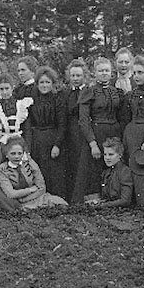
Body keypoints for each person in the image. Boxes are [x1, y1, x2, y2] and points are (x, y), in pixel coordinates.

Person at [72, 57, 127, 204]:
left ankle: (112, 198)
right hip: (96, 134)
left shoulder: (117, 92)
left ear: (111, 72)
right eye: (101, 70)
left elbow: (122, 116)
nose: (104, 73)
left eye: (107, 70)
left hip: (114, 133)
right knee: (94, 167)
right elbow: (83, 120)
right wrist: (92, 143)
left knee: (114, 165)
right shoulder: (89, 92)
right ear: (94, 73)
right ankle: (93, 200)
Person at [23, 66, 66, 199]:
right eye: (41, 82)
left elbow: (62, 125)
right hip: (37, 140)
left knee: (54, 172)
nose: (44, 85)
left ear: (52, 84)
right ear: (37, 84)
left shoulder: (57, 100)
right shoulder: (32, 100)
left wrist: (57, 145)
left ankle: (56, 200)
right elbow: (28, 124)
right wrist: (29, 146)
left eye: (47, 82)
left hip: (53, 139)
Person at [0, 136, 68, 209]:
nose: (17, 156)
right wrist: (30, 190)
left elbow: (42, 188)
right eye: (13, 153)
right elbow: (11, 194)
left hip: (38, 198)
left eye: (20, 153)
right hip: (20, 203)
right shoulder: (3, 169)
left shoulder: (30, 163)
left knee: (60, 203)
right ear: (6, 154)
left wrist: (25, 196)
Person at [62, 59, 88, 201]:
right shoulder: (66, 93)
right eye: (73, 76)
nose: (76, 78)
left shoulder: (88, 91)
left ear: (84, 75)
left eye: (78, 75)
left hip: (83, 132)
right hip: (69, 132)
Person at [94, 137, 134, 208]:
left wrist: (103, 205)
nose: (107, 158)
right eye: (105, 154)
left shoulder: (124, 171)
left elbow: (125, 201)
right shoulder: (106, 172)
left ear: (120, 155)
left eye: (111, 154)